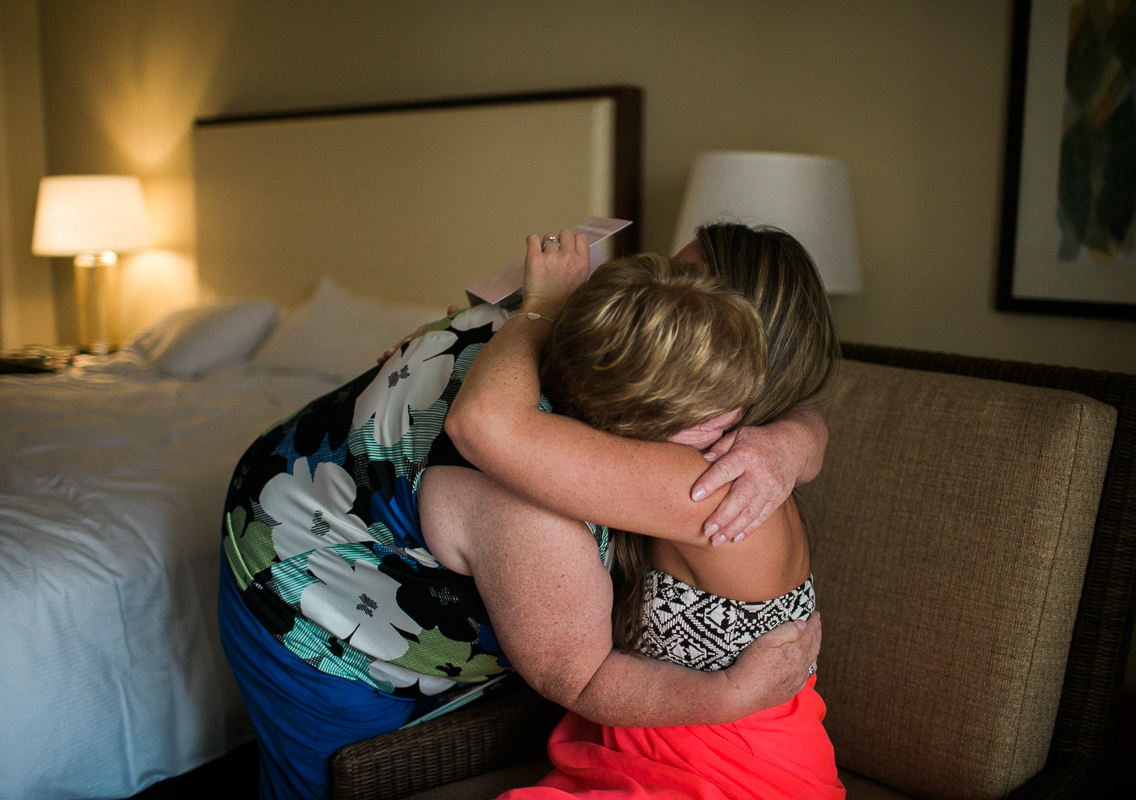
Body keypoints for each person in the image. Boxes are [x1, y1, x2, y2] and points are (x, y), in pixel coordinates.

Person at [217, 233, 823, 800]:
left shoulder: (555, 338)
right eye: (669, 283)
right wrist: (727, 695)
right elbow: (579, 674)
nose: (661, 292)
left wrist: (794, 439)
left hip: (326, 505)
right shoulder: (536, 488)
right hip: (299, 577)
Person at [448, 224, 843, 798]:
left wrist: (543, 309)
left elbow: (483, 423)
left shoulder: (705, 476)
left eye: (683, 283)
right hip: (670, 749)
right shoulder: (693, 445)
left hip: (725, 773)